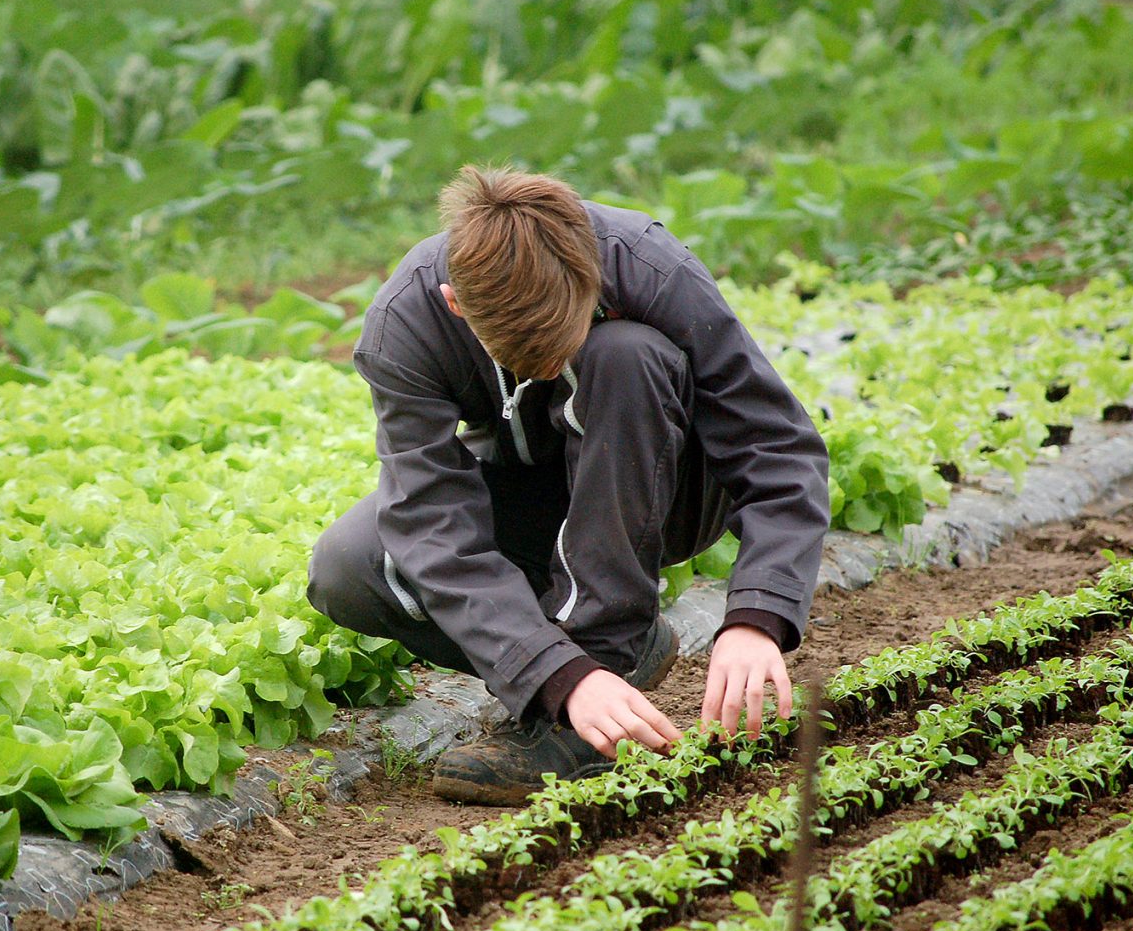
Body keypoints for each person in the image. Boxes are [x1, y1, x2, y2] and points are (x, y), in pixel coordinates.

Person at [307, 165, 830, 805]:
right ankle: (587, 675)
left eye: (562, 347)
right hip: (533, 487)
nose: (552, 370)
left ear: (592, 279)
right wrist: (559, 675)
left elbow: (775, 447)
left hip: (660, 482)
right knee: (350, 566)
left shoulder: (648, 267)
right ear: (455, 304)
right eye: (531, 362)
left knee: (624, 354)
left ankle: (604, 657)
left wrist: (757, 616)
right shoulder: (406, 321)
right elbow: (428, 520)